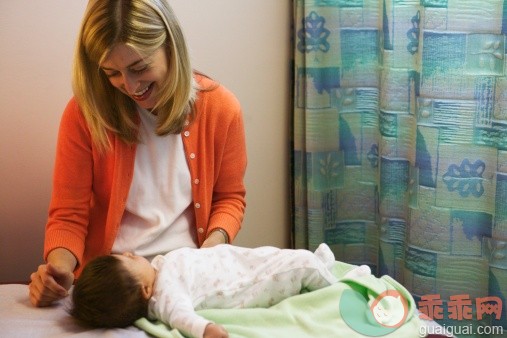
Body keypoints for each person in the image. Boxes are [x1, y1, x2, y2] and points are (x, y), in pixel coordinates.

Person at [29, 0, 247, 308]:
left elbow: (230, 198)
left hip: (187, 280)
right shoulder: (84, 115)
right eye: (111, 73)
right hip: (115, 288)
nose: (129, 86)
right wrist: (59, 270)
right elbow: (68, 215)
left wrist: (212, 249)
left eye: (139, 68)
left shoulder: (221, 109)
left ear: (171, 46)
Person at [70, 243, 372, 338]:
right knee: (300, 263)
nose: (131, 252)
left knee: (280, 254)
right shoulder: (166, 296)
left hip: (242, 260)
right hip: (253, 280)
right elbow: (181, 317)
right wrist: (207, 330)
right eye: (128, 259)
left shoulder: (159, 271)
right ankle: (341, 286)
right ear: (146, 290)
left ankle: (322, 267)